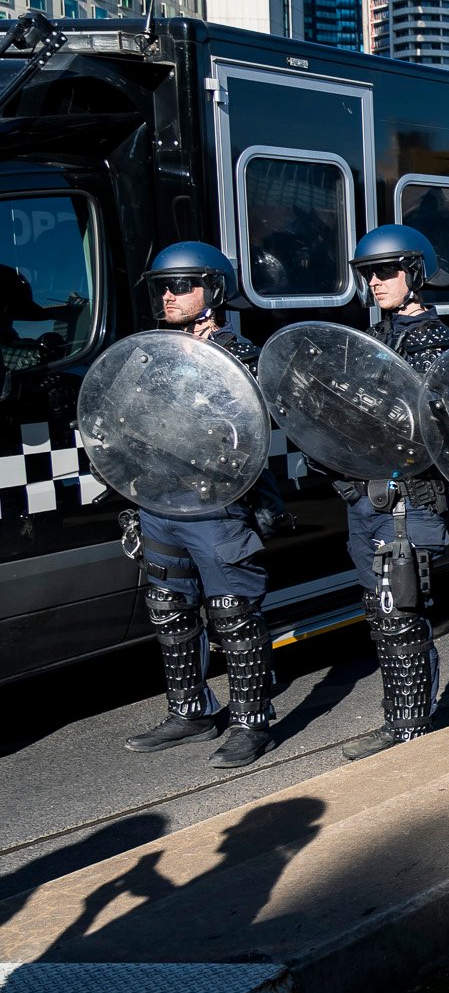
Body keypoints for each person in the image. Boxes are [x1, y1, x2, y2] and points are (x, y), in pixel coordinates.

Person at [121, 243, 288, 768]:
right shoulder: (149, 352)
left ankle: (251, 723)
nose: (168, 297)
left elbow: (253, 432)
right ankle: (190, 712)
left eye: (180, 286)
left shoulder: (240, 356)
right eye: (162, 288)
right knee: (168, 608)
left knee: (233, 614)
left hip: (216, 505)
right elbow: (119, 414)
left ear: (213, 291)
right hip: (159, 500)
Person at [336, 225, 449, 760]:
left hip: (408, 498)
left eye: (386, 271)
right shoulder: (372, 339)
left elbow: (431, 429)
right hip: (367, 496)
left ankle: (409, 725)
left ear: (416, 274)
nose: (375, 282)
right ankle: (401, 716)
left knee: (400, 612)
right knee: (380, 611)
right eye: (369, 273)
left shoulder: (438, 343)